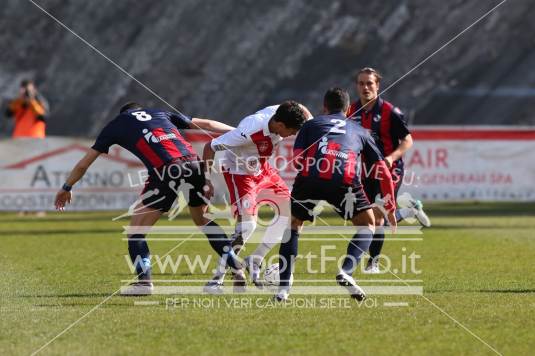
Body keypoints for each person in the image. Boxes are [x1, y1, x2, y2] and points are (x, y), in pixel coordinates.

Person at [54, 102, 242, 295]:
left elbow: (84, 164)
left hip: (166, 170)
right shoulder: (160, 113)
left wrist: (67, 187)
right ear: (140, 109)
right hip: (195, 164)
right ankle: (236, 268)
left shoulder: (116, 124)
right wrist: (242, 133)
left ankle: (144, 283)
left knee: (136, 231)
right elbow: (208, 125)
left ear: (124, 113)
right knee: (203, 220)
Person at [275, 88, 397, 302]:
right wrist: (391, 207)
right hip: (345, 179)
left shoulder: (310, 125)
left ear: (324, 108)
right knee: (367, 224)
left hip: (311, 176)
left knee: (293, 225)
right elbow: (384, 173)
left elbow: (297, 161)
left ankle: (283, 288)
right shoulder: (360, 131)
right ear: (349, 108)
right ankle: (346, 271)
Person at [202, 101, 311, 293]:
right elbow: (209, 147)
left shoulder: (280, 112)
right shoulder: (249, 130)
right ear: (279, 125)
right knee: (247, 227)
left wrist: (311, 123)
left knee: (292, 214)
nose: (293, 135)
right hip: (240, 173)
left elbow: (299, 106)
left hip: (263, 169)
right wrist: (207, 180)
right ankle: (215, 280)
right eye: (292, 131)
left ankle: (256, 259)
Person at [347, 67, 431, 274]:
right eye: (361, 83)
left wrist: (390, 158)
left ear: (378, 86)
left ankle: (372, 263)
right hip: (364, 171)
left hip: (389, 171)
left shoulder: (390, 112)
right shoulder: (351, 112)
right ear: (356, 86)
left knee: (378, 215)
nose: (365, 87)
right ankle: (409, 211)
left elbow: (408, 140)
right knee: (363, 218)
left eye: (370, 83)